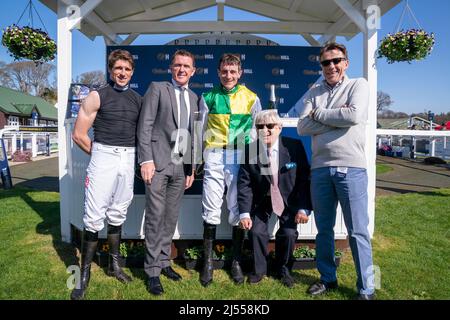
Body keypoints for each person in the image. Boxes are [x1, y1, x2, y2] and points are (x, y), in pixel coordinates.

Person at [297, 42, 375, 300]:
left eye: (336, 61)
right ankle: (327, 279)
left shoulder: (359, 85)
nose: (331, 66)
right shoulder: (314, 90)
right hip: (320, 170)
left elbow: (353, 117)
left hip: (351, 169)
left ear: (346, 63)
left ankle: (367, 288)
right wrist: (335, 120)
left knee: (358, 231)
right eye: (326, 63)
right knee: (324, 230)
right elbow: (303, 127)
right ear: (320, 66)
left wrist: (319, 114)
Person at [71, 49, 142, 300]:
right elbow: (78, 134)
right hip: (103, 154)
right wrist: (100, 155)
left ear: (132, 71)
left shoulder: (137, 99)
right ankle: (83, 275)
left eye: (127, 69)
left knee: (118, 211)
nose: (122, 73)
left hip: (128, 156)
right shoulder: (96, 96)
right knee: (93, 216)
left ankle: (114, 266)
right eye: (118, 68)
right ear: (111, 70)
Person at [137, 49, 198, 296]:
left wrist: (191, 168)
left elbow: (192, 134)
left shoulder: (194, 97)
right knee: (155, 216)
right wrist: (146, 160)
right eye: (178, 65)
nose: (182, 70)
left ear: (193, 71)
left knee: (170, 217)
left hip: (180, 167)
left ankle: (164, 262)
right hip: (157, 164)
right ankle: (151, 271)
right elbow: (145, 125)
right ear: (171, 68)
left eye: (187, 66)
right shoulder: (157, 88)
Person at [199, 53, 262, 286]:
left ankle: (236, 261)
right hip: (214, 153)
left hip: (240, 155)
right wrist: (197, 159)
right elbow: (199, 129)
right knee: (211, 205)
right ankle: (207, 262)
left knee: (237, 206)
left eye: (233, 71)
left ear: (240, 73)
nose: (228, 75)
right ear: (218, 72)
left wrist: (256, 161)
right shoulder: (208, 97)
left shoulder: (252, 98)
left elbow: (257, 131)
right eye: (224, 71)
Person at [238, 109, 312, 287]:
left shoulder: (294, 147)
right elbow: (244, 183)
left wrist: (303, 208)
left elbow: (304, 178)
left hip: (288, 199)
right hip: (261, 200)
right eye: (260, 126)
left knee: (288, 233)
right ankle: (259, 271)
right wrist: (244, 214)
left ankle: (283, 268)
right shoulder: (250, 150)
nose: (265, 130)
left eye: (270, 126)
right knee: (256, 232)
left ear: (279, 127)